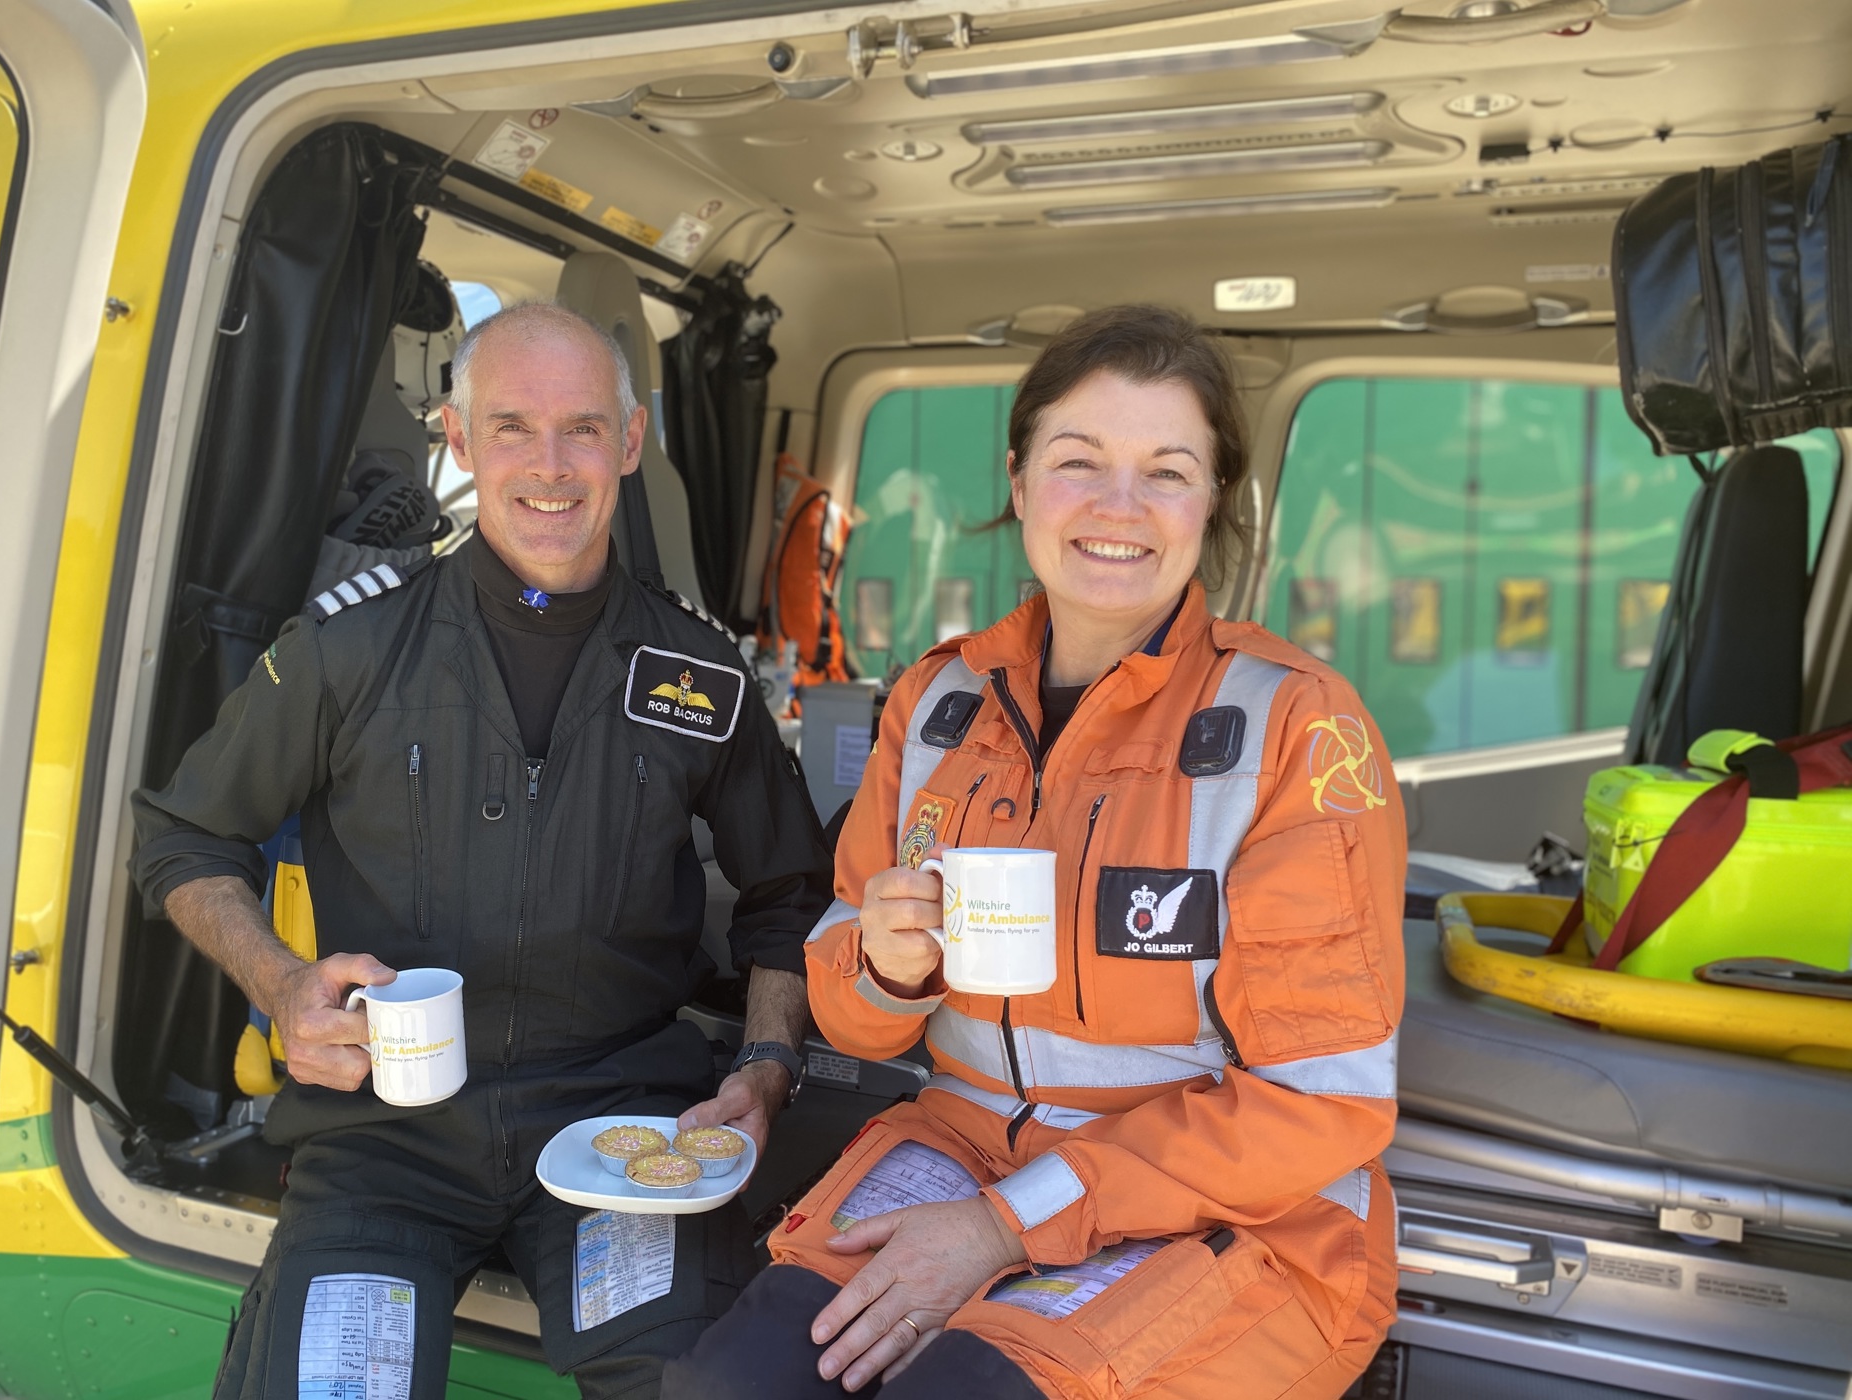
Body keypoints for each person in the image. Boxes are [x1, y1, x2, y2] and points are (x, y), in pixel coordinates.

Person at [666, 305, 1406, 1399]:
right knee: (726, 1387)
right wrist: (883, 960)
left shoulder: (1299, 728)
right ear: (1018, 484)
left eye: (1165, 470)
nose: (1118, 506)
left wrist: (1005, 1225)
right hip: (960, 1151)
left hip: (1235, 1214)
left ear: (1212, 502)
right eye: (1078, 462)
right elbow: (853, 1005)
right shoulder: (935, 703)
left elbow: (1316, 1105)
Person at [130, 302, 834, 1399]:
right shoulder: (346, 648)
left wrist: (766, 1059)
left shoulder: (698, 669)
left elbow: (788, 891)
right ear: (458, 440)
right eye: (512, 427)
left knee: (702, 1382)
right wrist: (281, 983)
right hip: (382, 1138)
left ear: (631, 442)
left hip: (621, 1136)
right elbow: (183, 834)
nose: (550, 466)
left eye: (583, 429)